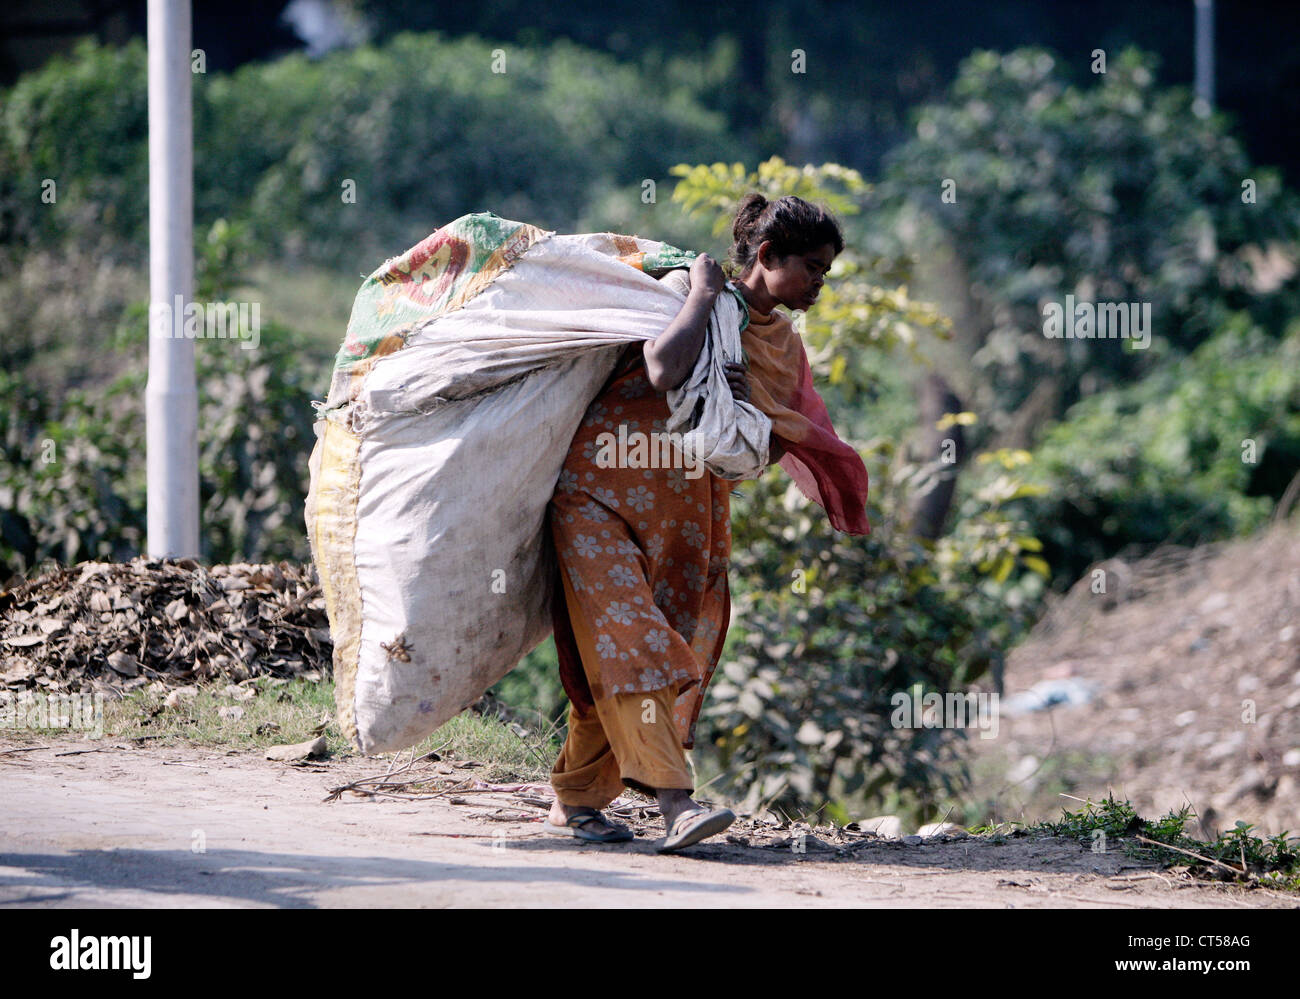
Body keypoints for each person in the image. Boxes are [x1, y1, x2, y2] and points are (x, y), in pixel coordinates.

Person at [544, 193, 871, 852]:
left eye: (826, 271)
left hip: (688, 513)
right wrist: (700, 294)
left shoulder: (784, 345)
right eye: (811, 266)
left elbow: (771, 437)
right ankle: (677, 805)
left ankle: (577, 798)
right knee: (635, 644)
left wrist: (761, 429)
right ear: (768, 255)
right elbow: (664, 366)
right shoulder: (684, 292)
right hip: (600, 495)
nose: (819, 283)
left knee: (629, 650)